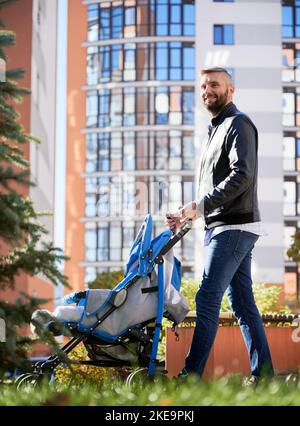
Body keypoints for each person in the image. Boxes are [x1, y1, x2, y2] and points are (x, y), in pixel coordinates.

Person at [166, 67, 274, 384]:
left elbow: (243, 175)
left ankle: (191, 375)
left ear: (231, 90)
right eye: (203, 86)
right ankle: (264, 375)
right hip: (224, 225)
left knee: (207, 297)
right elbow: (216, 185)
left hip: (234, 226)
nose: (207, 90)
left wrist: (199, 207)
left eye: (214, 84)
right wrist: (189, 212)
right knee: (241, 303)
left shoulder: (238, 123)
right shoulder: (216, 129)